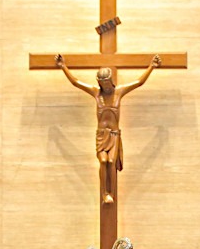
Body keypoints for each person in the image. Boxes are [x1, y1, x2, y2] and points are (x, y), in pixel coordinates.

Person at [54, 53, 162, 206]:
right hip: (101, 135)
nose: (104, 86)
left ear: (110, 81)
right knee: (103, 161)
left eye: (106, 82)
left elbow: (139, 82)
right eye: (101, 83)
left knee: (110, 161)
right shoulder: (96, 93)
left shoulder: (120, 92)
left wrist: (152, 66)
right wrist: (63, 66)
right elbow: (76, 83)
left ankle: (110, 193)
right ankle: (104, 193)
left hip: (114, 135)